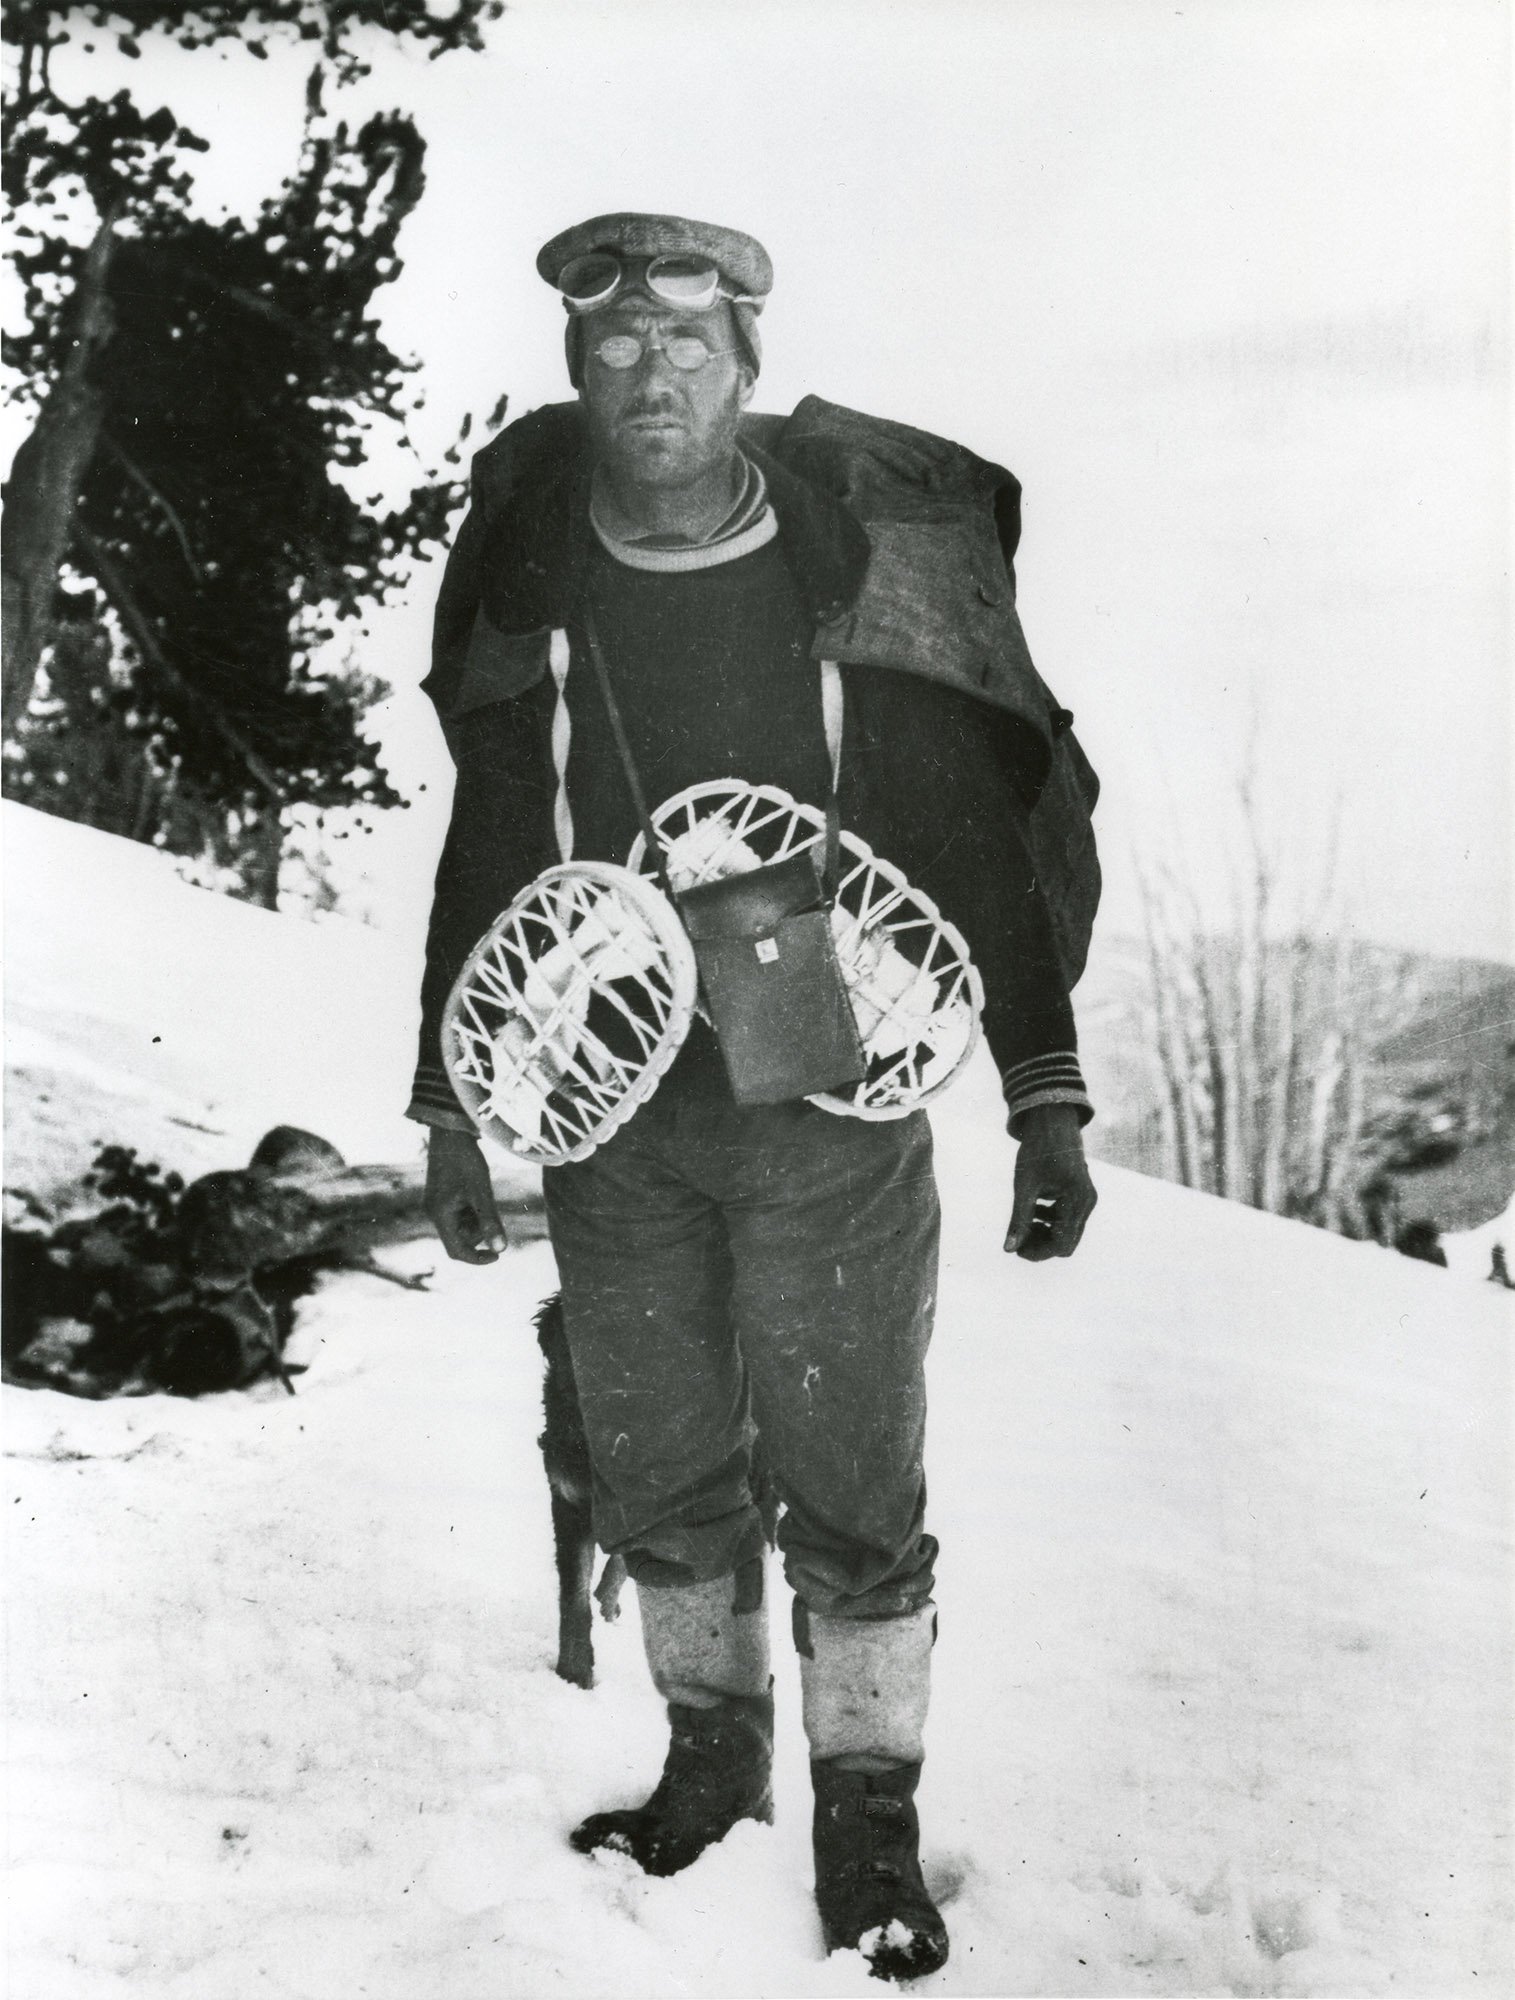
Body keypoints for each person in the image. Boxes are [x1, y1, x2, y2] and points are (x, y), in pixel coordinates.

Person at [410, 212, 1098, 1982]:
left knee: (853, 1472)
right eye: (621, 352)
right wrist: (452, 1102)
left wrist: (1044, 1097)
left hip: (830, 1098)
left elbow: (965, 844)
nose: (655, 377)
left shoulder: (848, 577)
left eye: (691, 349)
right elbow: (491, 843)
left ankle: (871, 1820)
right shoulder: (541, 585)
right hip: (610, 1095)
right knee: (654, 1459)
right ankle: (710, 1762)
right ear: (582, 376)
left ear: (748, 370)